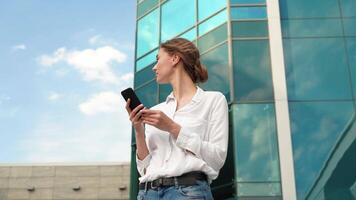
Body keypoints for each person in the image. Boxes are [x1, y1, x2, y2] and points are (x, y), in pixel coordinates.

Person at [125, 38, 229, 200]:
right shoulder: (157, 111)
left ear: (175, 58)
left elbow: (217, 158)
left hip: (188, 192)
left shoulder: (213, 100)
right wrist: (138, 129)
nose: (154, 67)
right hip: (147, 193)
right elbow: (145, 169)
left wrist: (172, 127)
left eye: (158, 59)